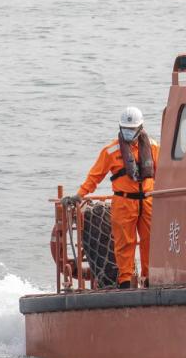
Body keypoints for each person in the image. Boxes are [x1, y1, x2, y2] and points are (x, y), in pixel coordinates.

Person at [62, 107, 159, 289]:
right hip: (123, 202)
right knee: (124, 244)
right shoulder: (111, 151)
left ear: (141, 128)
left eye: (132, 129)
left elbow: (164, 173)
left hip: (148, 201)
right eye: (125, 129)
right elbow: (95, 176)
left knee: (150, 242)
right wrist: (79, 195)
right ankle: (125, 282)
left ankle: (150, 279)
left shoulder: (153, 147)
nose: (128, 133)